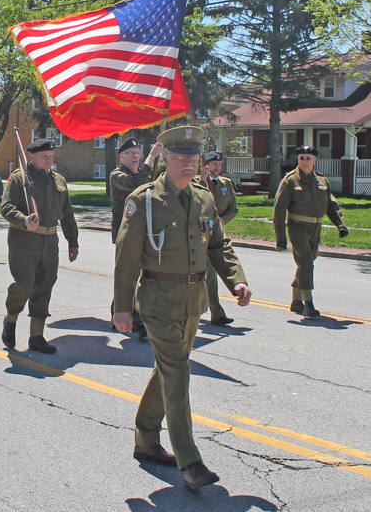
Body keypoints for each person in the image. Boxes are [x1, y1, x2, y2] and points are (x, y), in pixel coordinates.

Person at [112, 126, 251, 490]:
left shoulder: (204, 198)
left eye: (195, 157)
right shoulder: (143, 200)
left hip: (194, 303)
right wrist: (122, 308)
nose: (190, 162)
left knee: (168, 371)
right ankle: (190, 463)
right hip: (157, 303)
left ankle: (145, 439)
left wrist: (235, 280)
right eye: (181, 156)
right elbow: (126, 259)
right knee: (178, 375)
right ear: (166, 158)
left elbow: (219, 246)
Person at [0, 138, 79, 354]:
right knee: (25, 284)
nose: (49, 160)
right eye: (44, 156)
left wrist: (73, 241)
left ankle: (36, 335)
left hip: (50, 243)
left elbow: (68, 215)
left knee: (44, 286)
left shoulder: (59, 181)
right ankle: (11, 318)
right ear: (32, 157)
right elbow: (6, 207)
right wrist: (23, 219)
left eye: (51, 156)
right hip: (24, 241)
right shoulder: (19, 179)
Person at [273, 145, 349, 317]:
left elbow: (331, 204)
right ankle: (309, 304)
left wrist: (340, 224)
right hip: (297, 226)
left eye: (308, 158)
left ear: (315, 160)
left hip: (316, 227)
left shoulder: (321, 181)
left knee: (306, 264)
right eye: (301, 158)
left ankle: (296, 301)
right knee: (306, 262)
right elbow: (279, 211)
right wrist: (281, 238)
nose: (305, 161)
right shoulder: (290, 181)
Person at [109, 137, 164, 338]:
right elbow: (135, 183)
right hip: (125, 233)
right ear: (121, 156)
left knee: (142, 275)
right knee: (127, 274)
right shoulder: (117, 175)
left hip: (145, 230)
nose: (135, 156)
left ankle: (136, 316)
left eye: (138, 153)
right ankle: (122, 314)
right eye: (131, 153)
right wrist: (151, 157)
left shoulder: (146, 174)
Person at [199, 150, 239, 325]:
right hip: (200, 235)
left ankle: (214, 312)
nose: (218, 167)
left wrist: (223, 220)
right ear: (206, 165)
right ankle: (216, 313)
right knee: (208, 273)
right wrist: (201, 180)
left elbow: (233, 209)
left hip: (217, 235)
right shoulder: (196, 182)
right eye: (214, 164)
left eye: (220, 164)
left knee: (210, 273)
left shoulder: (226, 184)